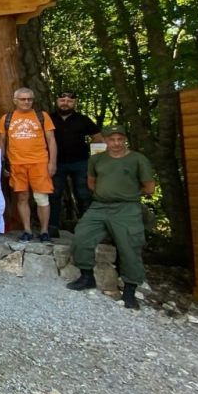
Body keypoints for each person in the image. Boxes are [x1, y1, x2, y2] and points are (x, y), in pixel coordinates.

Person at [66, 126, 154, 309]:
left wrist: (127, 194)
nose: (116, 143)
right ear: (105, 140)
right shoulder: (97, 159)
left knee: (130, 246)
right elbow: (91, 183)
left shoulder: (138, 159)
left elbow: (149, 187)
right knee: (82, 236)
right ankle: (86, 276)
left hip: (127, 208)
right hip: (99, 206)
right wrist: (105, 193)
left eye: (119, 139)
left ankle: (130, 290)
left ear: (125, 140)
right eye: (111, 139)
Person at [0, 87, 58, 243]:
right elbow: (2, 142)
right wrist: (1, 163)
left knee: (42, 198)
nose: (26, 102)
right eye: (23, 99)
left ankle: (44, 231)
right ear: (15, 100)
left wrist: (52, 162)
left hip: (40, 162)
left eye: (29, 99)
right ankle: (27, 230)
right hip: (16, 163)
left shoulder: (42, 116)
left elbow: (51, 140)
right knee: (22, 197)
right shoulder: (7, 118)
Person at [50, 91, 103, 236]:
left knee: (84, 195)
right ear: (57, 101)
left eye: (69, 101)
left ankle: (87, 228)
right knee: (54, 195)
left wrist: (93, 157)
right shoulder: (48, 118)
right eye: (62, 100)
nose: (65, 103)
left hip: (80, 163)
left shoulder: (83, 119)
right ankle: (52, 228)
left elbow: (98, 138)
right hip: (56, 163)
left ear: (75, 103)